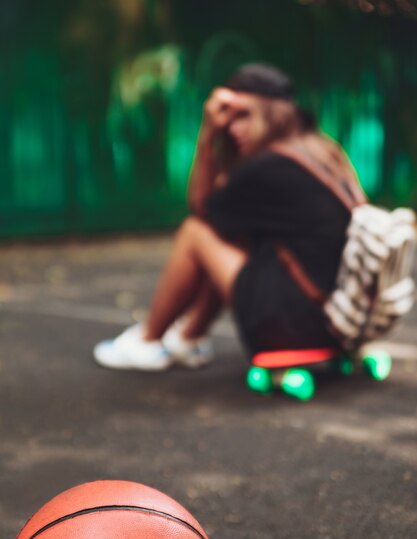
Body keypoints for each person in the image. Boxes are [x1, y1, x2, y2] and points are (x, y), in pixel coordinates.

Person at [93, 63, 366, 371]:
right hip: (340, 326)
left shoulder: (269, 166)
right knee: (233, 235)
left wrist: (208, 133)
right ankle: (189, 336)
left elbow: (201, 208)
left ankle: (148, 341)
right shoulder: (322, 152)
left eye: (244, 116)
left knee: (196, 232)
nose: (232, 129)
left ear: (274, 113)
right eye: (228, 119)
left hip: (292, 327)